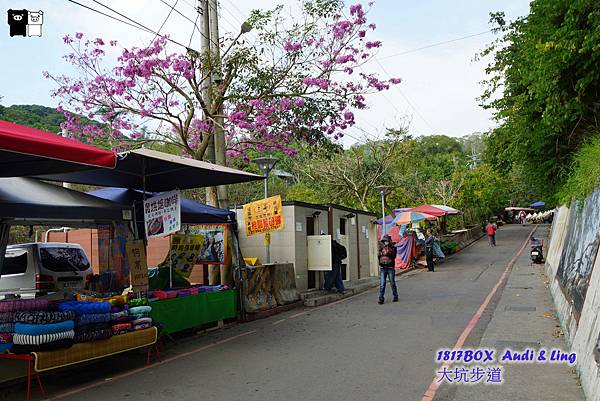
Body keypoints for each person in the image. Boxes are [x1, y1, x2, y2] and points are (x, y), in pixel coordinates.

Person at [378, 234, 398, 304]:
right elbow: (379, 257)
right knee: (382, 284)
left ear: (389, 241)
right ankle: (381, 298)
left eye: (387, 241)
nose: (386, 242)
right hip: (383, 268)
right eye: (384, 241)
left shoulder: (393, 248)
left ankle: (395, 296)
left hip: (390, 268)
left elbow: (394, 256)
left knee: (392, 283)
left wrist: (388, 253)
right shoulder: (381, 248)